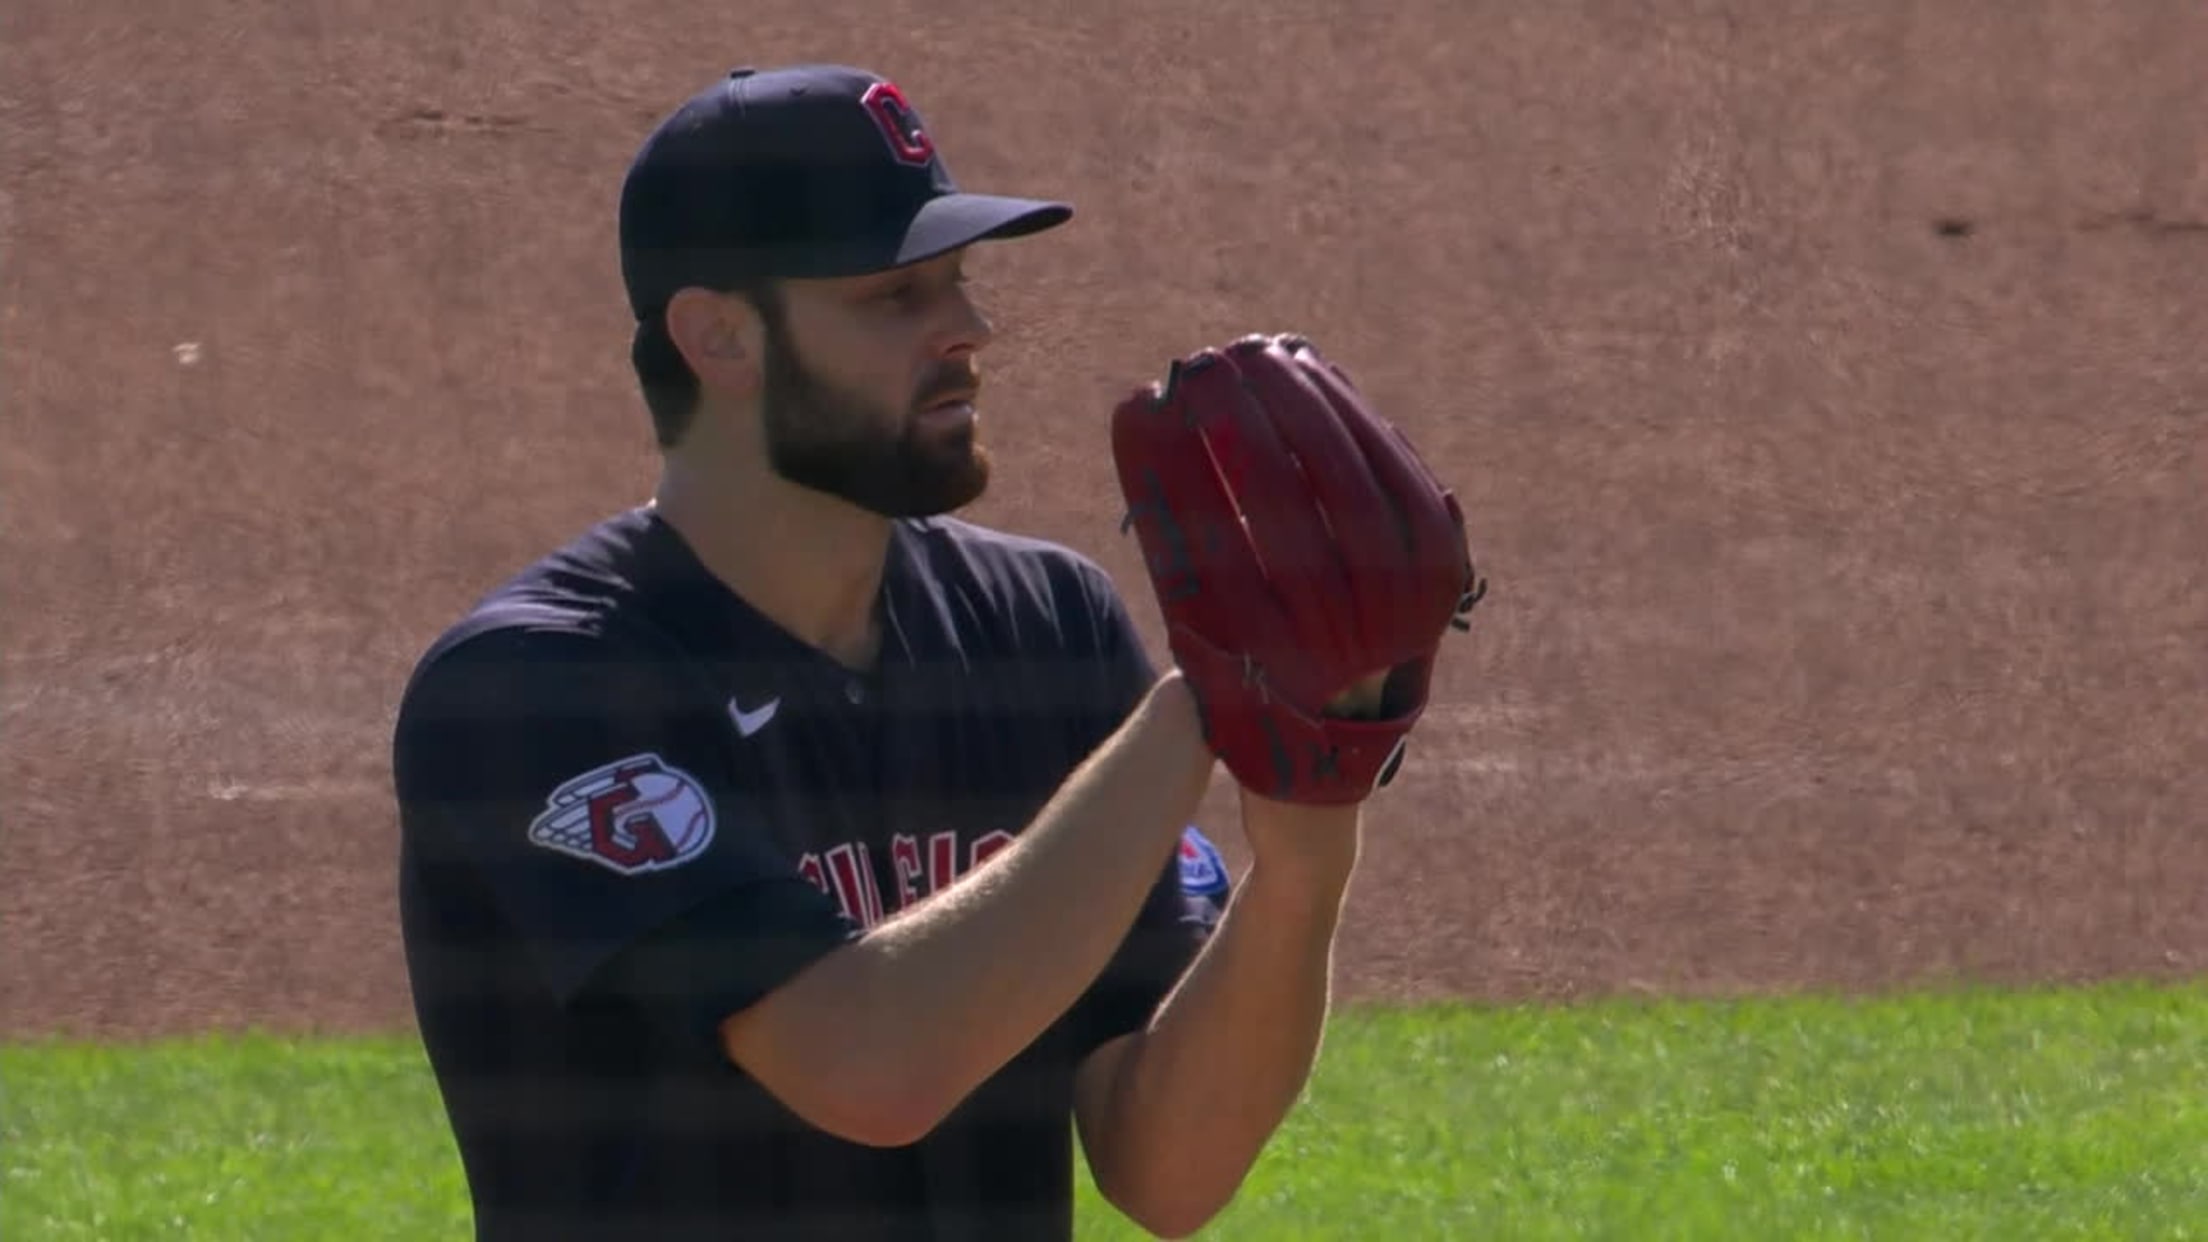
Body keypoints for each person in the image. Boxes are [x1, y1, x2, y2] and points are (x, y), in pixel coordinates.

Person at [391, 62, 1384, 1241]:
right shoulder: (540, 689)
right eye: (893, 297)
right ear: (718, 336)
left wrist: (1312, 830)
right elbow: (870, 1068)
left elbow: (1165, 1169)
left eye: (955, 282)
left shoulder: (1044, 628)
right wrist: (1208, 696)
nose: (968, 329)